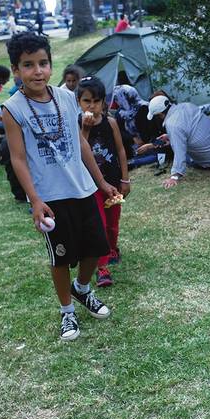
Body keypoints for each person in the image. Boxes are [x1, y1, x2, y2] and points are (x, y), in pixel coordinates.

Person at [2, 32, 119, 341]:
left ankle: (82, 289)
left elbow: (80, 142)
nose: (37, 71)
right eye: (28, 65)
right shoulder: (13, 108)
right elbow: (18, 159)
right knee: (62, 258)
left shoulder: (66, 97)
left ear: (50, 65)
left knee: (96, 247)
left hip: (81, 188)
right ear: (16, 70)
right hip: (51, 196)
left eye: (43, 63)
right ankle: (67, 312)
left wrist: (101, 181)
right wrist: (35, 199)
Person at [77, 76, 131, 287]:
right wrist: (86, 129)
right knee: (98, 225)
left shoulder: (111, 123)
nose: (92, 106)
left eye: (96, 101)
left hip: (113, 183)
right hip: (90, 187)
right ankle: (102, 267)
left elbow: (120, 151)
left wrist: (124, 180)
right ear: (78, 103)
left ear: (103, 102)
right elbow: (80, 150)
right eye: (87, 101)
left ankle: (112, 248)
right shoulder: (77, 126)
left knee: (112, 225)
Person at [142, 95, 210, 189]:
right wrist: (170, 136)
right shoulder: (187, 105)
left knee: (188, 158)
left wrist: (174, 177)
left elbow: (179, 153)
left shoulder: (172, 125)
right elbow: (190, 129)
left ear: (159, 113)